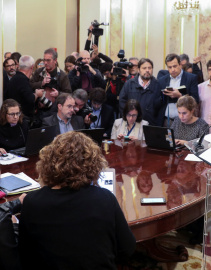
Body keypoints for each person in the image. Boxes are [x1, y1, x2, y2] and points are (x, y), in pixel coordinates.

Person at [19, 131, 136, 270]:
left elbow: (25, 256)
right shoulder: (105, 198)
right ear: (93, 164)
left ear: (49, 162)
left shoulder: (32, 202)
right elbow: (127, 248)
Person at [158, 53, 199, 127]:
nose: (172, 70)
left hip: (184, 120)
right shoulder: (162, 80)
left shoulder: (191, 78)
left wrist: (180, 96)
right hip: (167, 120)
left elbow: (195, 100)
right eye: (169, 67)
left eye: (175, 66)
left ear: (180, 64)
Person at [119, 58, 162, 126]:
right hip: (132, 124)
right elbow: (122, 102)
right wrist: (129, 117)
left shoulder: (158, 85)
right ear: (139, 70)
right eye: (144, 68)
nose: (147, 70)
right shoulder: (129, 84)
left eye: (149, 68)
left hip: (151, 125)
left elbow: (160, 107)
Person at [6, 55, 44, 120]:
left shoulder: (15, 78)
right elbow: (30, 99)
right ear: (32, 67)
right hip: (21, 119)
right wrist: (37, 94)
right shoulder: (23, 80)